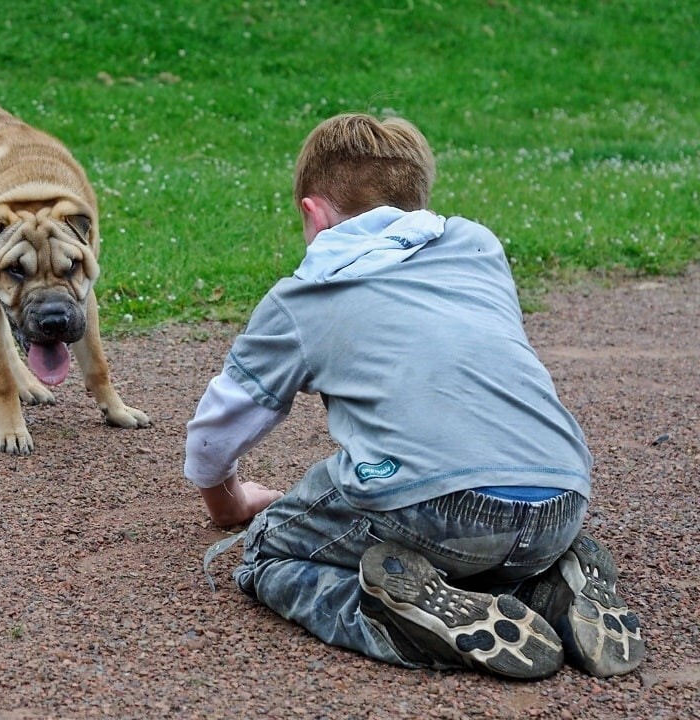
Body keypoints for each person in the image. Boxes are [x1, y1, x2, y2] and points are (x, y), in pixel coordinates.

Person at [183, 112, 645, 680]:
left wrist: (226, 501)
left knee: (266, 552)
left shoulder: (306, 295)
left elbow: (215, 432)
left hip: (433, 506)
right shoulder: (478, 246)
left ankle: (393, 623)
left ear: (312, 211)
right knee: (475, 544)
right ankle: (546, 584)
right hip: (562, 502)